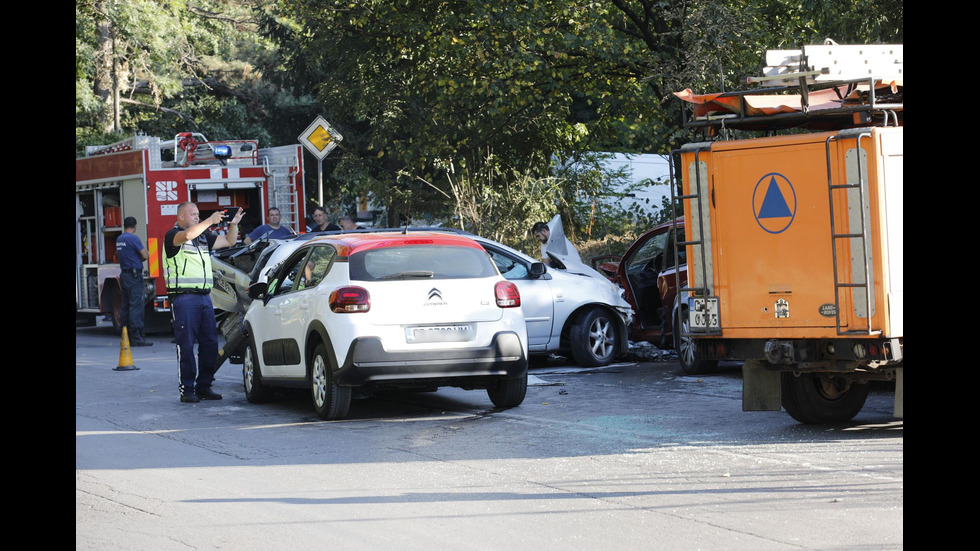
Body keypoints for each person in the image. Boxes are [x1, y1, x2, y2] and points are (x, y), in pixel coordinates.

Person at [164, 202, 244, 403]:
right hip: (183, 298)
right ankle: (187, 389)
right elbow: (188, 235)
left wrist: (233, 224)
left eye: (198, 214)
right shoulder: (172, 236)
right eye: (193, 214)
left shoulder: (202, 238)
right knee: (187, 344)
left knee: (210, 344)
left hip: (204, 298)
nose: (197, 217)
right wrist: (210, 220)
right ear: (181, 217)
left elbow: (229, 241)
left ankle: (204, 386)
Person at [115, 216, 153, 347]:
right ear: (135, 226)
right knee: (136, 305)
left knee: (125, 305)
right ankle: (136, 336)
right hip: (134, 276)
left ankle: (125, 334)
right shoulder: (133, 238)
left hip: (124, 275)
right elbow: (145, 255)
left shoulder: (120, 239)